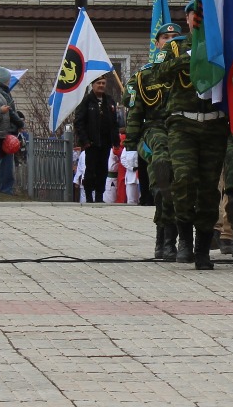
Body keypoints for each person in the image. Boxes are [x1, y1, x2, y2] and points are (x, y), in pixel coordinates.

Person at [156, 0, 229, 270]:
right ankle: (184, 237)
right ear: (188, 19)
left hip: (214, 124)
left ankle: (202, 249)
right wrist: (188, 58)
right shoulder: (175, 46)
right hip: (183, 124)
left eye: (205, 16)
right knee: (184, 179)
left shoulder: (223, 45)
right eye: (195, 16)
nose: (199, 20)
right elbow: (158, 74)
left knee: (209, 188)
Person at [126, 22, 184, 260]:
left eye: (175, 37)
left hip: (182, 128)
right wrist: (130, 146)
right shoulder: (145, 76)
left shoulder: (186, 71)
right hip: (155, 130)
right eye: (165, 37)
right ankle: (165, 239)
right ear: (157, 43)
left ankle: (181, 241)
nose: (170, 40)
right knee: (163, 183)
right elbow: (134, 109)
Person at [73, 75, 120, 203]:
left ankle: (99, 196)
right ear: (93, 85)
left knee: (102, 170)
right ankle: (89, 196)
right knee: (91, 170)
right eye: (98, 83)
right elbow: (78, 122)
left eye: (103, 83)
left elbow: (114, 122)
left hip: (105, 143)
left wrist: (115, 140)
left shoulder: (109, 101)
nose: (101, 85)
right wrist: (85, 141)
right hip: (91, 144)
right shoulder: (87, 101)